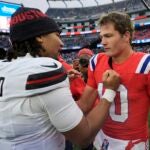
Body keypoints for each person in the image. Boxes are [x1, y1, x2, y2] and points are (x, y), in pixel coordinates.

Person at [0, 7, 120, 150]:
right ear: (39, 37)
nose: (62, 43)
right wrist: (109, 92)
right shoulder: (45, 70)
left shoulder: (4, 66)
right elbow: (83, 137)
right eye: (57, 35)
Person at [78, 12, 150, 150]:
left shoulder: (145, 64)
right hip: (101, 138)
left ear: (126, 36)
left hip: (132, 142)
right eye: (101, 37)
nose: (103, 42)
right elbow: (85, 104)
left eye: (108, 36)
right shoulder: (96, 61)